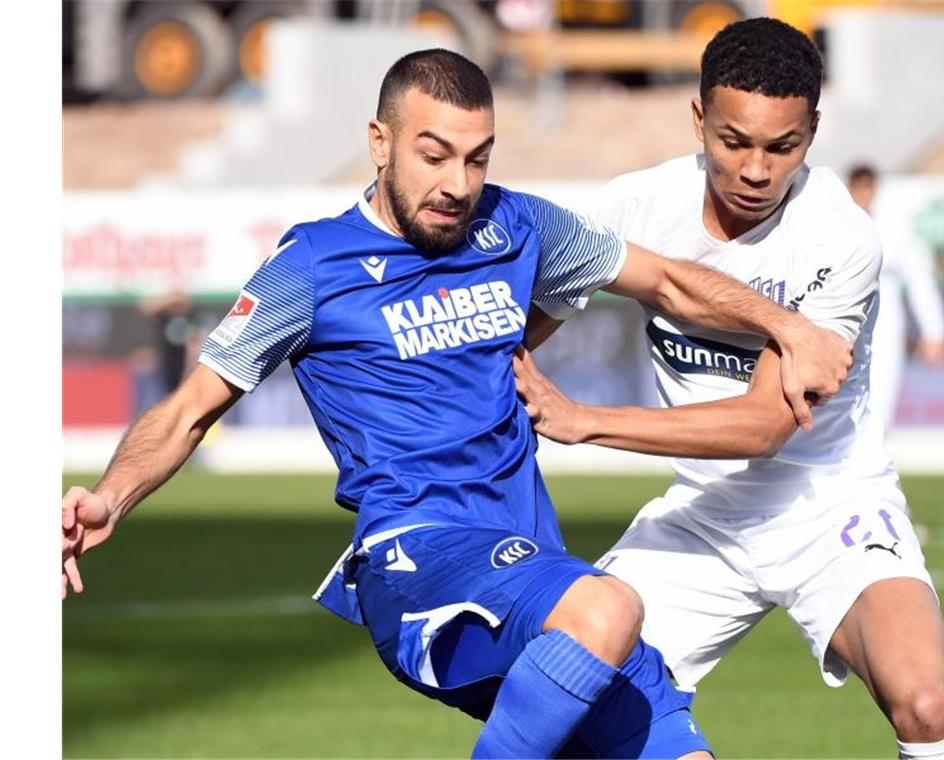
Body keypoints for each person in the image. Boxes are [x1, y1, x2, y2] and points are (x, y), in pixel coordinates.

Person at [61, 49, 852, 759]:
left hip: (527, 575)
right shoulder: (311, 266)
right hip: (417, 558)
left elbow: (671, 280)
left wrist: (790, 328)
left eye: (477, 159)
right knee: (611, 608)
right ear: (380, 142)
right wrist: (110, 498)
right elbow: (192, 405)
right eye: (434, 155)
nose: (457, 185)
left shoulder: (516, 224)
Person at [515, 19, 944, 760]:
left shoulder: (841, 239)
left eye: (781, 147)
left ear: (813, 132)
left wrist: (585, 421)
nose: (756, 170)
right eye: (734, 142)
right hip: (704, 516)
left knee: (923, 701)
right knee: (567, 694)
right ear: (698, 119)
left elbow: (765, 425)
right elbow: (517, 332)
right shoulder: (635, 207)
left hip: (830, 505)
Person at [847, 164, 944, 429]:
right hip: (843, 321)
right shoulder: (836, 227)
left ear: (875, 190)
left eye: (867, 188)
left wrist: (935, 331)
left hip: (884, 323)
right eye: (857, 188)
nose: (863, 195)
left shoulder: (893, 230)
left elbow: (920, 281)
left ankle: (874, 458)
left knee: (881, 396)